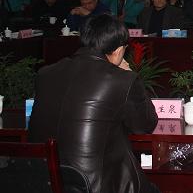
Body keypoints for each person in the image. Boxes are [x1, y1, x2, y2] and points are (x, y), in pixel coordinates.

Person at [28, 13, 160, 193]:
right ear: (119, 50)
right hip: (95, 186)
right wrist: (128, 73)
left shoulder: (45, 74)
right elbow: (145, 125)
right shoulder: (121, 79)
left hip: (44, 181)